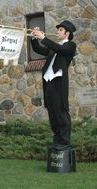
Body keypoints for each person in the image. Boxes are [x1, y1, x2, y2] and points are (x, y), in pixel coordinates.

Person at [31, 20, 76, 150]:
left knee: (61, 112)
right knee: (52, 113)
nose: (57, 31)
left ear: (68, 33)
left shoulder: (70, 46)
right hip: (49, 83)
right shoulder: (54, 48)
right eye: (58, 30)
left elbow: (59, 49)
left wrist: (44, 37)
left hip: (58, 83)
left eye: (60, 30)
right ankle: (57, 141)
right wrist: (34, 38)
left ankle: (65, 142)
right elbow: (38, 49)